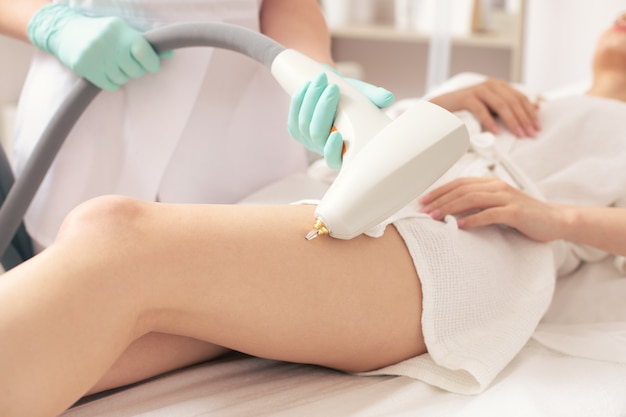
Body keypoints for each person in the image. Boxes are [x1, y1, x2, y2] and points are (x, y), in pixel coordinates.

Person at [4, 9, 626, 417]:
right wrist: (433, 106)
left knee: (115, 237)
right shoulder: (517, 92)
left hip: (462, 236)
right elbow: (379, 136)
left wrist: (555, 219)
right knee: (104, 327)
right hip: (335, 187)